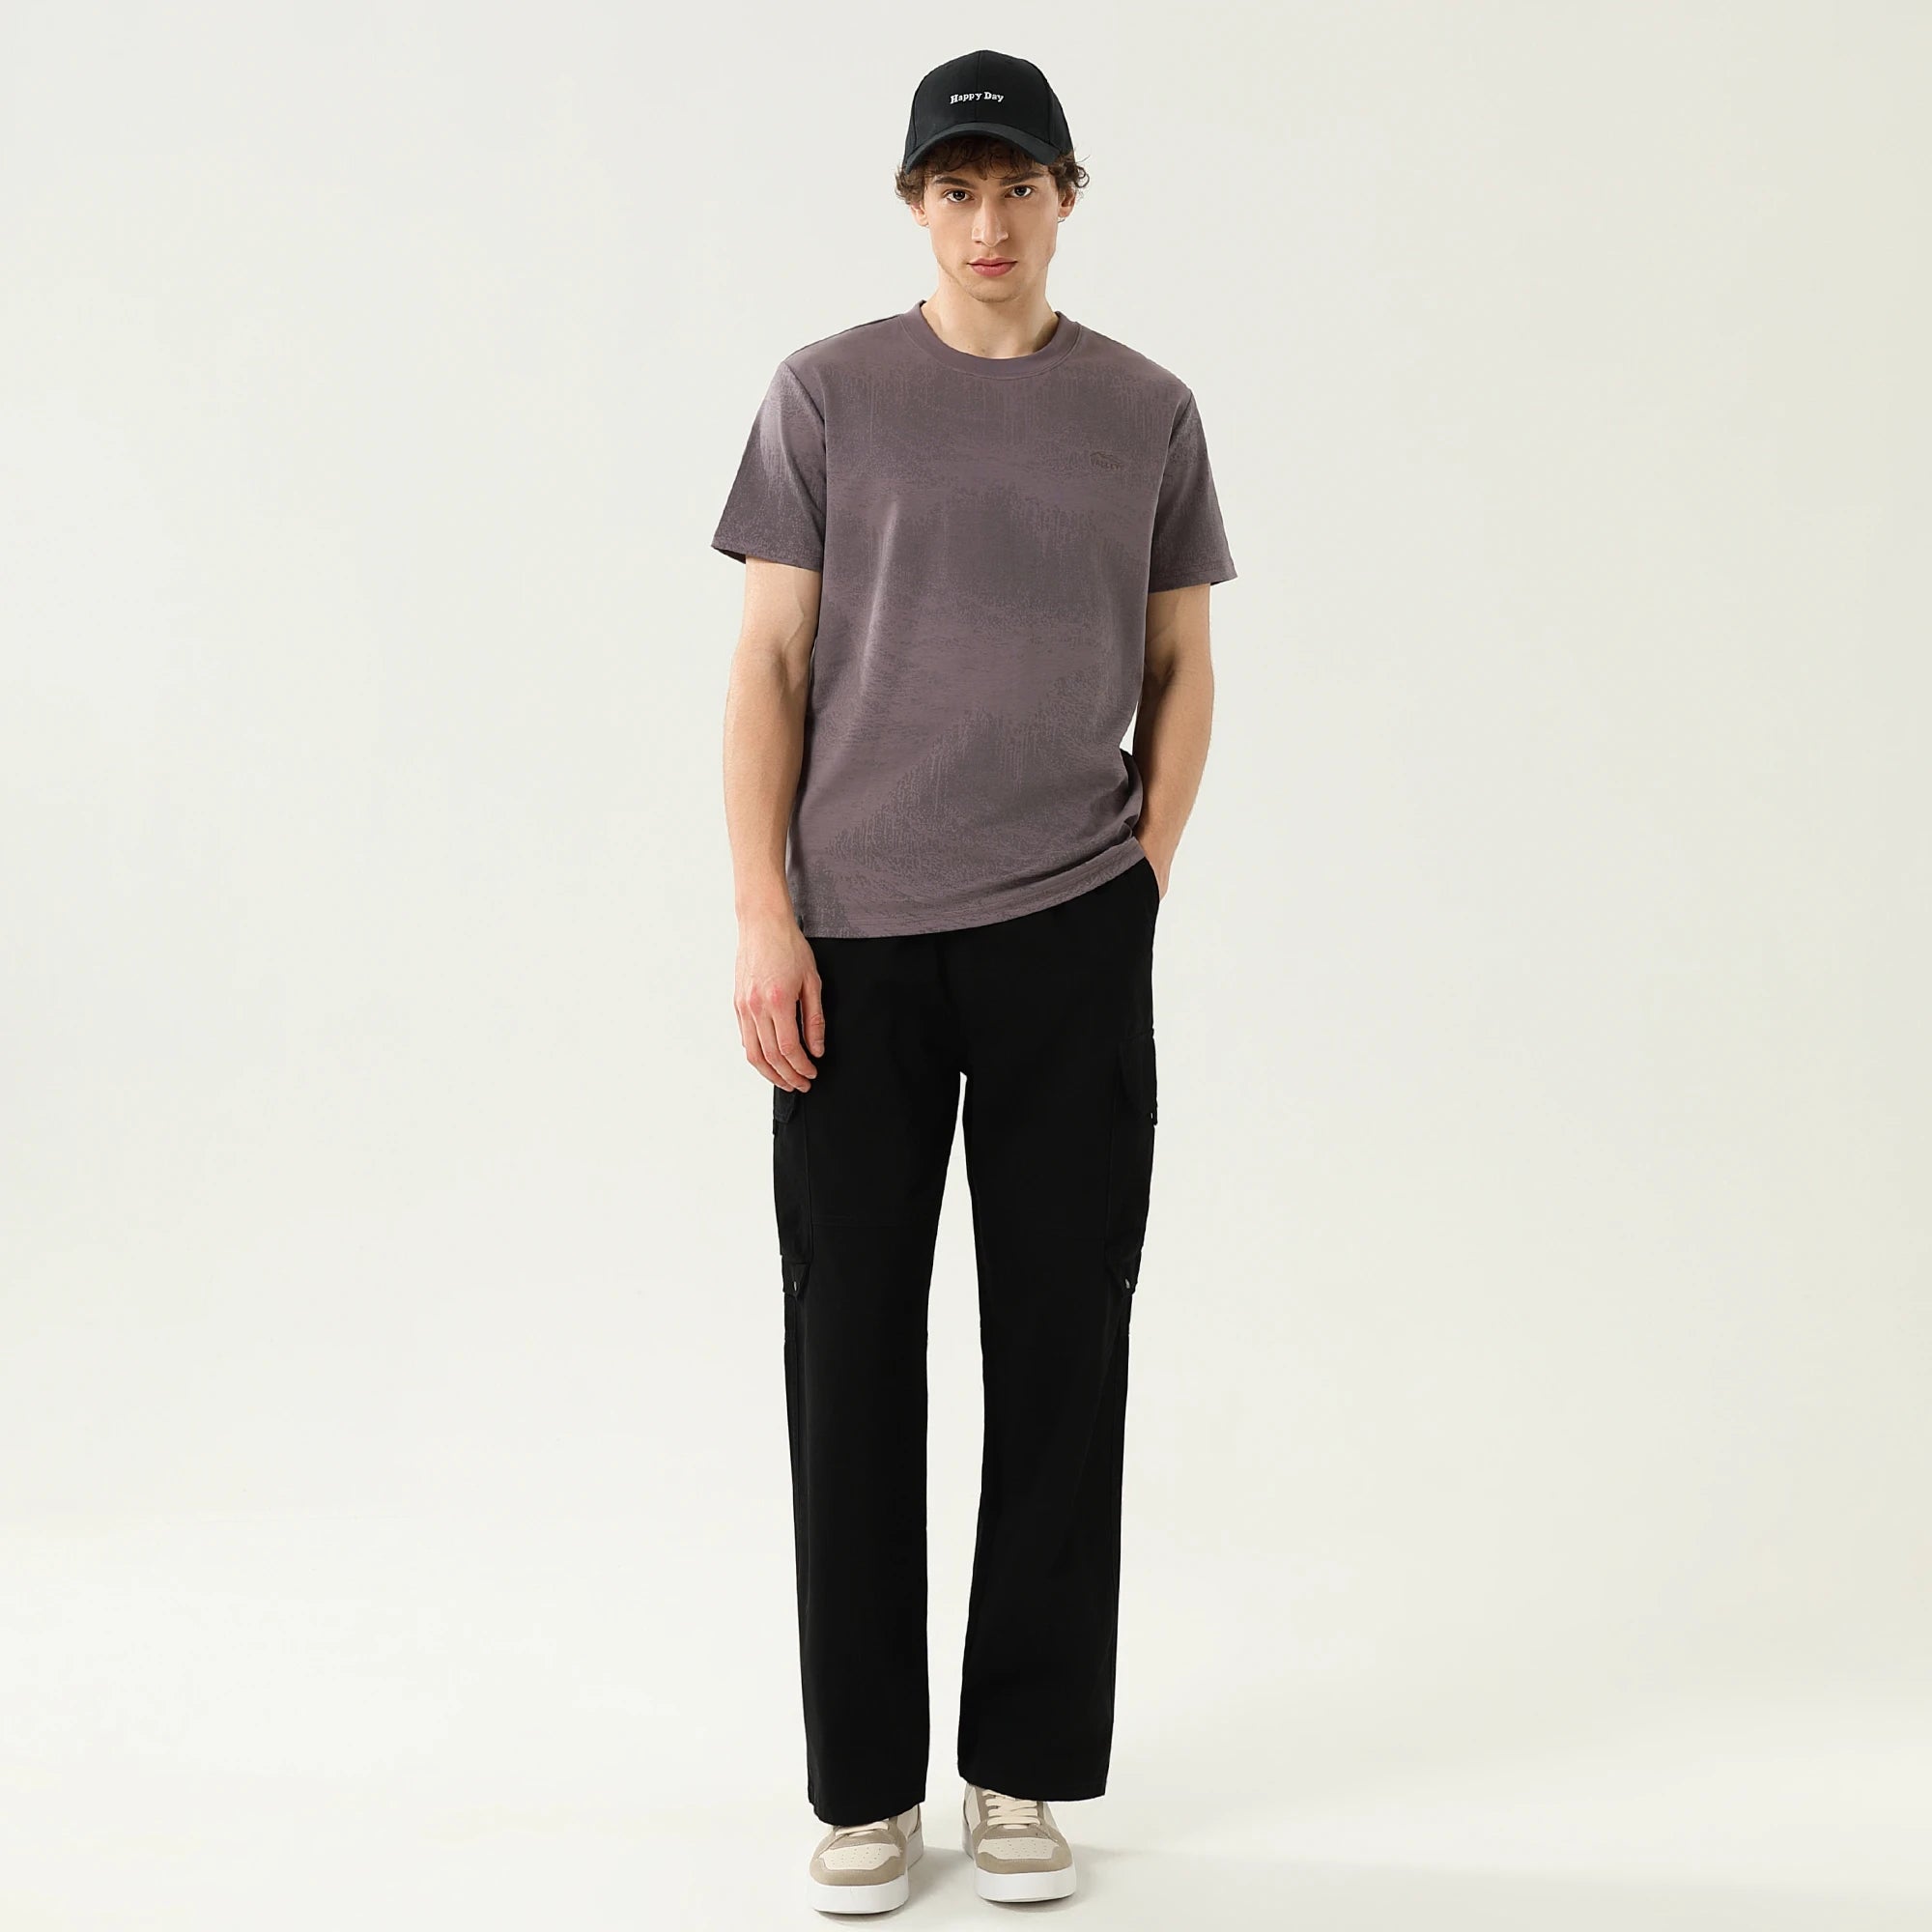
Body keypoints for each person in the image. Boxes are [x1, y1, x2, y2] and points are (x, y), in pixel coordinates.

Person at [711, 46, 1236, 1916]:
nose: (988, 220)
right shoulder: (827, 395)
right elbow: (770, 666)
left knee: (1062, 1345)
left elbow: (1181, 670)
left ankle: (1020, 1768)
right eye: (957, 187)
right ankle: (865, 1788)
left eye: (1020, 186)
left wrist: (1137, 886)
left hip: (1069, 932)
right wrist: (763, 913)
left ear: (1068, 197)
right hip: (852, 940)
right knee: (849, 1352)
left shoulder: (1147, 411)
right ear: (915, 203)